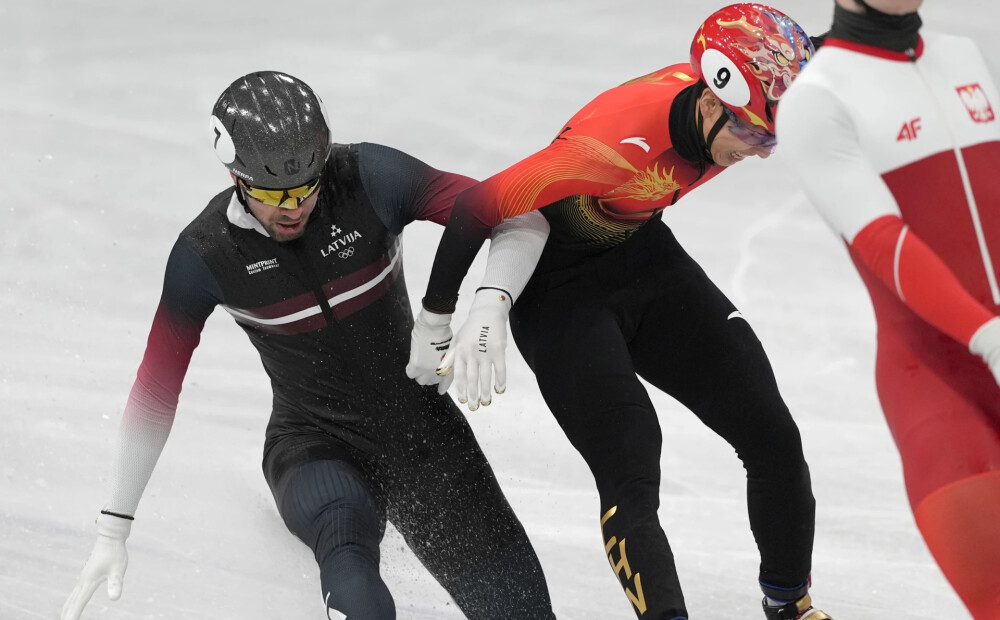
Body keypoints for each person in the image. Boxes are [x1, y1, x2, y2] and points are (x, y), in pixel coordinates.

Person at [60, 70, 557, 620]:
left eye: (305, 187)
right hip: (314, 447)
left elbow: (516, 210)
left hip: (424, 434)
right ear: (236, 176)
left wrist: (490, 303)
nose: (294, 206)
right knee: (347, 554)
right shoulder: (205, 254)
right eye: (274, 193)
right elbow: (155, 391)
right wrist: (113, 528)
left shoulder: (368, 177)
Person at [407, 5, 832, 620]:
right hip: (559, 297)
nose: (764, 153)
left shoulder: (743, 92)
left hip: (644, 259)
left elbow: (815, 49)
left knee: (772, 435)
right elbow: (478, 205)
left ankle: (790, 605)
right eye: (757, 135)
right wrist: (437, 319)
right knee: (632, 460)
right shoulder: (609, 144)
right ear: (713, 102)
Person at [776, 2, 1000, 618]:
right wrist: (989, 338)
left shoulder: (964, 57)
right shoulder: (818, 97)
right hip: (939, 388)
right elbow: (882, 240)